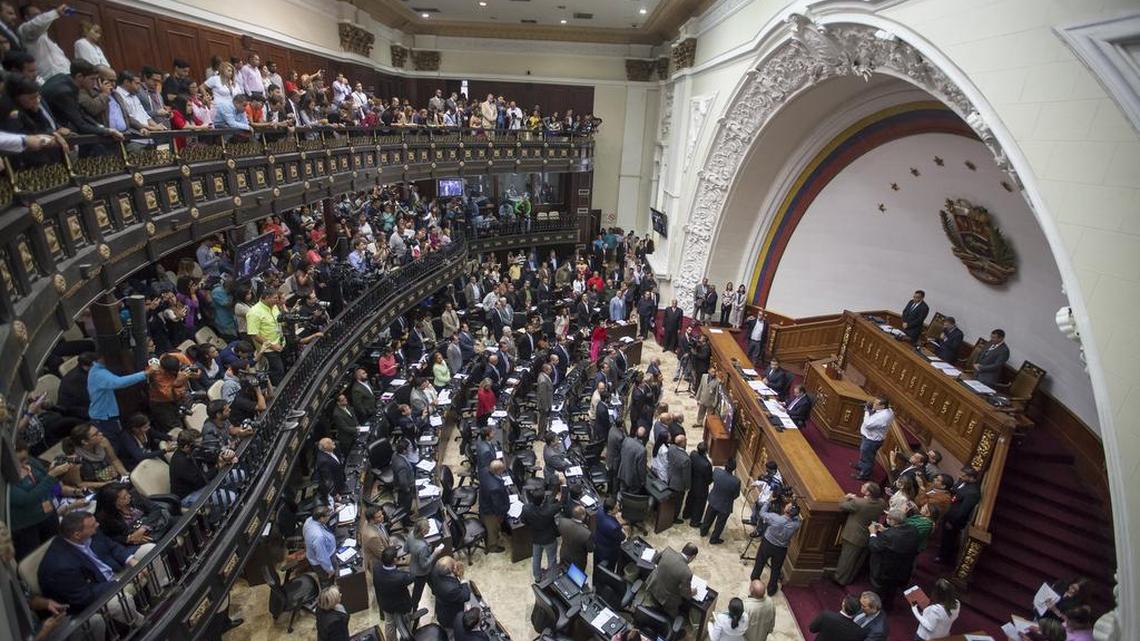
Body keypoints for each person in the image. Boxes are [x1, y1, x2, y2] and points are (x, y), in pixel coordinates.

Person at [87, 353, 149, 440]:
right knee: (114, 441)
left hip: (107, 415)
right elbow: (119, 382)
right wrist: (145, 374)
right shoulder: (98, 373)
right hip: (103, 417)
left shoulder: (101, 369)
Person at [867, 509, 921, 610]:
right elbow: (899, 537)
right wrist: (887, 530)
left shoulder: (889, 535)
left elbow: (874, 547)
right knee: (892, 591)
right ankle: (887, 607)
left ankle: (875, 608)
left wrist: (873, 534)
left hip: (887, 569)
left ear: (892, 521)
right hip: (904, 568)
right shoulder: (913, 530)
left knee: (880, 591)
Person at [835, 482, 886, 585]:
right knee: (857, 561)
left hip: (853, 536)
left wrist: (847, 497)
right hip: (867, 535)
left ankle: (840, 579)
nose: (861, 486)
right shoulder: (881, 502)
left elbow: (842, 505)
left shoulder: (859, 503)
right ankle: (849, 579)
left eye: (864, 487)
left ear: (868, 493)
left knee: (846, 560)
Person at [750, 498, 801, 596]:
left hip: (767, 544)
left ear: (786, 510)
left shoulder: (774, 518)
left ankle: (755, 580)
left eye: (787, 506)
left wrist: (768, 502)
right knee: (776, 569)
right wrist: (794, 510)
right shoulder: (795, 524)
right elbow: (797, 518)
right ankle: (771, 589)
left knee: (760, 562)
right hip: (781, 549)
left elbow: (762, 513)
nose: (785, 505)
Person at [937, 466, 981, 564]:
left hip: (954, 521)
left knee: (949, 539)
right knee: (944, 536)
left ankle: (943, 558)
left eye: (963, 475)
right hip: (948, 513)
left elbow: (963, 511)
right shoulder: (963, 482)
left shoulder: (973, 493)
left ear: (971, 477)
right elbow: (955, 490)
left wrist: (951, 522)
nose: (960, 477)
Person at [643, 543, 698, 617]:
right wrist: (692, 592)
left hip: (653, 585)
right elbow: (686, 595)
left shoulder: (667, 551)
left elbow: (655, 560)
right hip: (667, 600)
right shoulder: (687, 573)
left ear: (682, 549)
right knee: (670, 615)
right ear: (692, 557)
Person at [373, 545, 414, 641]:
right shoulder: (401, 577)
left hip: (385, 604)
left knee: (389, 624)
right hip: (401, 606)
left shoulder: (377, 567)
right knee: (405, 625)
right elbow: (412, 577)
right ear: (395, 560)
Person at [245, 290, 285, 384]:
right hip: (269, 349)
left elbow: (278, 321)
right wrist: (273, 346)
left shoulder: (274, 306)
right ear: (267, 298)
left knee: (283, 368)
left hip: (280, 343)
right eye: (275, 298)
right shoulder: (254, 313)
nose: (277, 300)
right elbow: (254, 335)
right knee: (277, 372)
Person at [701, 457, 740, 544]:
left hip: (714, 499)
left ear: (725, 465)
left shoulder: (717, 471)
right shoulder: (736, 481)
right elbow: (736, 495)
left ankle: (703, 532)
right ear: (734, 468)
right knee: (720, 524)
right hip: (725, 505)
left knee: (708, 518)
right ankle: (714, 539)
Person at [853, 398, 893, 481]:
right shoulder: (886, 410)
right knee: (864, 454)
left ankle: (864, 475)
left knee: (868, 458)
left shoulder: (883, 416)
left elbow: (868, 424)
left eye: (876, 404)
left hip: (872, 440)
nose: (873, 404)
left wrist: (867, 411)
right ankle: (861, 465)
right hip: (869, 437)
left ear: (882, 406)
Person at [429, 556, 471, 632]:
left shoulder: (435, 572)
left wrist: (454, 573)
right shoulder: (451, 589)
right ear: (452, 569)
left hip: (441, 603)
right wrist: (462, 577)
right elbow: (466, 596)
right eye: (454, 563)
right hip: (450, 616)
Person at [478, 459, 509, 553]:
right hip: (490, 511)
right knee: (492, 529)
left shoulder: (484, 471)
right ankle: (492, 547)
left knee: (490, 527)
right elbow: (498, 506)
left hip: (483, 502)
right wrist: (502, 514)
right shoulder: (495, 488)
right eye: (502, 470)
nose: (503, 472)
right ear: (497, 471)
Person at [303, 506, 338, 578]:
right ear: (321, 518)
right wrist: (330, 570)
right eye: (328, 516)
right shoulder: (318, 537)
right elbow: (322, 557)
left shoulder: (309, 520)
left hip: (319, 554)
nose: (329, 517)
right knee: (330, 578)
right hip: (323, 564)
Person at [593, 496, 625, 573]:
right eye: (616, 507)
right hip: (608, 552)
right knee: (608, 570)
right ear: (610, 511)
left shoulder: (600, 509)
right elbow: (622, 537)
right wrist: (623, 530)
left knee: (596, 566)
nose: (618, 508)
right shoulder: (613, 527)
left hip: (598, 543)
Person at [558, 504, 594, 574]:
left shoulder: (562, 522)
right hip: (578, 561)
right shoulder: (586, 533)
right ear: (583, 516)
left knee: (564, 572)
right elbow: (590, 549)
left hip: (564, 554)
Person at [685, 442, 713, 527]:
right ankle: (695, 521)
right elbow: (709, 478)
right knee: (699, 504)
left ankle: (686, 514)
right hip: (701, 487)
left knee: (690, 498)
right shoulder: (707, 464)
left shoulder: (693, 454)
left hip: (692, 481)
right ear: (706, 451)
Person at [313, 437, 346, 503]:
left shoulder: (333, 450)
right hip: (336, 489)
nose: (334, 443)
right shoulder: (323, 461)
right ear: (326, 446)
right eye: (331, 442)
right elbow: (328, 480)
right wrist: (335, 494)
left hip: (341, 481)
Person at [618, 427, 648, 494]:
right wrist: (643, 481)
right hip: (633, 480)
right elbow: (641, 469)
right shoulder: (642, 450)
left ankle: (620, 503)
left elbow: (622, 453)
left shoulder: (626, 440)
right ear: (645, 436)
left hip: (623, 472)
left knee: (622, 492)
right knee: (631, 497)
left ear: (635, 433)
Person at [535, 363, 553, 434]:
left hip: (546, 402)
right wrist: (546, 407)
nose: (551, 370)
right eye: (550, 369)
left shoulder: (543, 376)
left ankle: (543, 431)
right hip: (544, 405)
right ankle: (541, 435)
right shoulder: (543, 380)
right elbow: (542, 396)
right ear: (545, 370)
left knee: (544, 420)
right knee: (543, 420)